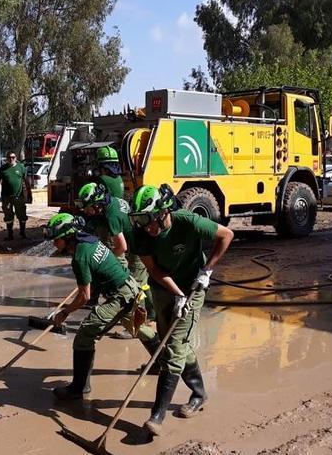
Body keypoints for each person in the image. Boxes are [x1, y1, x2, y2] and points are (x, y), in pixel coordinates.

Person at [129, 184, 234, 436]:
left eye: (150, 221)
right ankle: (199, 393)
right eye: (141, 222)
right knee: (173, 344)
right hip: (163, 287)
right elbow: (154, 270)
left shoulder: (187, 221)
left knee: (175, 348)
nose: (147, 228)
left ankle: (157, 416)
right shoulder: (141, 234)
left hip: (194, 285)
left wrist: (207, 270)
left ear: (164, 213)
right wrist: (176, 294)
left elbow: (226, 235)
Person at [45, 213, 159, 400]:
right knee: (137, 327)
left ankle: (79, 388)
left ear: (68, 237)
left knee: (84, 337)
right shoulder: (90, 241)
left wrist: (64, 312)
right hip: (131, 288)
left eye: (56, 240)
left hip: (120, 295)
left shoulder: (80, 257)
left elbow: (84, 297)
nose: (53, 244)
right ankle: (161, 361)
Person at [76, 182, 132, 308]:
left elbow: (122, 247)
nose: (85, 210)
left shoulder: (111, 215)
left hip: (137, 243)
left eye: (87, 207)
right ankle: (94, 298)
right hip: (124, 234)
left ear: (97, 204)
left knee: (134, 279)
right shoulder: (107, 203)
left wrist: (105, 260)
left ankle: (145, 313)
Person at [0, 151, 31, 240]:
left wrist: (29, 193)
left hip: (19, 197)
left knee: (22, 215)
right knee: (8, 215)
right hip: (6, 197)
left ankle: (22, 233)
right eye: (9, 157)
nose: (11, 159)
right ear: (6, 158)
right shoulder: (2, 169)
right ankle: (10, 234)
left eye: (13, 157)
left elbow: (27, 182)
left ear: (16, 158)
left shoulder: (21, 168)